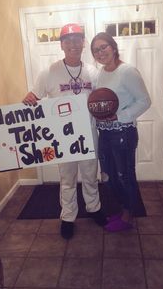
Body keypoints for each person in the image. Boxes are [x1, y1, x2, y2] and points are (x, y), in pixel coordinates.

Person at [23, 24, 107, 239]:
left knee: (90, 175)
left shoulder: (93, 72)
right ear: (61, 45)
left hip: (89, 134)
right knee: (67, 179)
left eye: (77, 39)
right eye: (68, 40)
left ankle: (94, 208)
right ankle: (68, 217)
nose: (73, 44)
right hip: (64, 138)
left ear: (83, 43)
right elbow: (34, 97)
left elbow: (103, 100)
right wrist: (29, 99)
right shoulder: (49, 72)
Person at [90, 32, 151, 232]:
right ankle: (120, 208)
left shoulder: (127, 71)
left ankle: (128, 215)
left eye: (103, 47)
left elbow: (144, 101)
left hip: (123, 133)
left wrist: (120, 116)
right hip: (105, 133)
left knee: (124, 176)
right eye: (96, 50)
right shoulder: (101, 73)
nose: (100, 52)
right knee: (109, 176)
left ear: (113, 47)